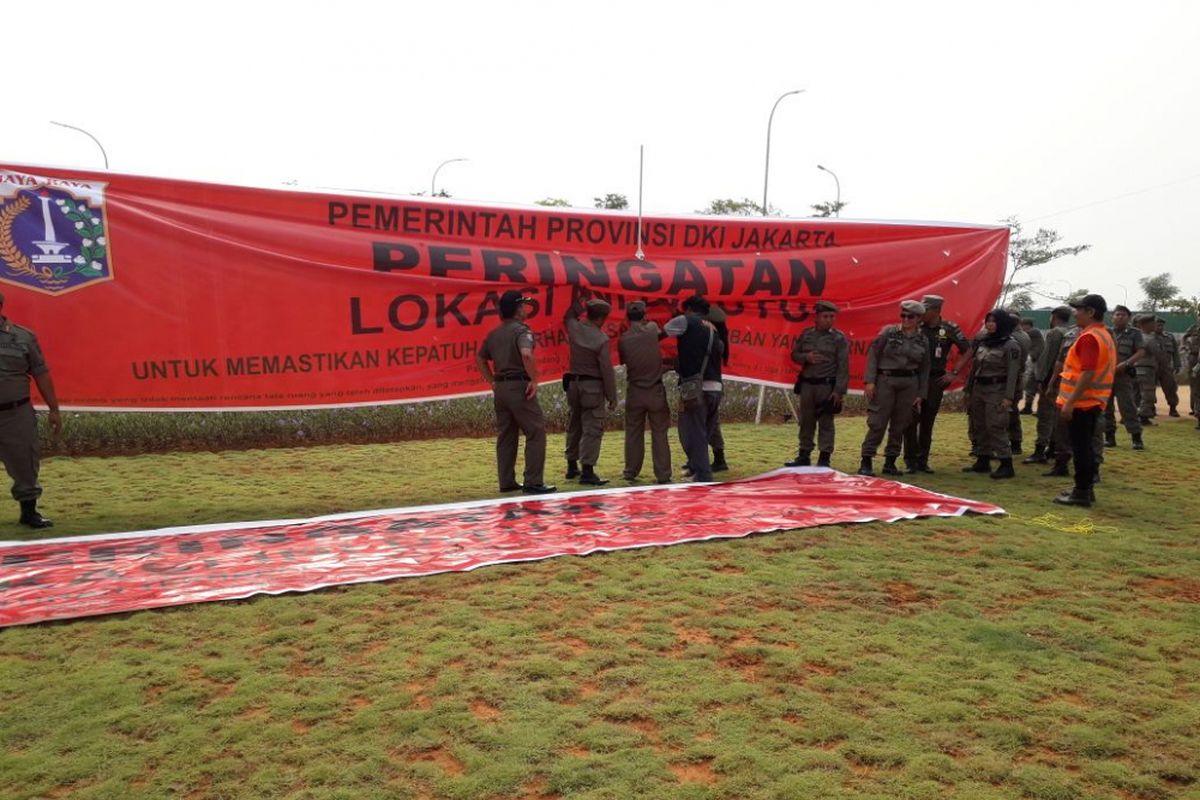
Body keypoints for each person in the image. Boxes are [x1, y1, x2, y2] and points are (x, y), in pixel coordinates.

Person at [475, 290, 556, 495]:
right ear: (518, 309)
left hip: (501, 388)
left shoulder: (494, 333)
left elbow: (480, 359)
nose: (526, 309)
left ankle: (507, 481)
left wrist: (493, 381)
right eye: (523, 306)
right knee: (535, 431)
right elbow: (526, 354)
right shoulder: (521, 331)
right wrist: (534, 379)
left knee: (506, 436)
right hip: (519, 387)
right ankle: (533, 481)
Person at [0, 293, 61, 528]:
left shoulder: (23, 337)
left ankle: (29, 513)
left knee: (25, 462)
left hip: (16, 413)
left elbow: (41, 373)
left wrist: (54, 409)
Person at [1054, 294, 1117, 507]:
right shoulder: (1104, 335)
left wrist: (1070, 403)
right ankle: (1085, 489)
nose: (1075, 313)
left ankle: (1081, 492)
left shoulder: (1089, 337)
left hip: (1082, 403)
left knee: (1081, 449)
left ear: (1090, 312)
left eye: (1079, 309)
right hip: (1093, 401)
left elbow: (1087, 373)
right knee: (1086, 447)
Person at [858, 300, 930, 477]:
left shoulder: (923, 340)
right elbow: (873, 355)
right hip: (885, 381)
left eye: (910, 316)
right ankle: (866, 460)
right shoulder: (888, 333)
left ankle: (890, 461)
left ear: (919, 319)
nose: (905, 319)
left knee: (900, 423)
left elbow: (925, 368)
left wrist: (921, 393)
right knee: (877, 422)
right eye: (903, 315)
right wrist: (870, 381)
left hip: (909, 384)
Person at [901, 294, 971, 473]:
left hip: (935, 380)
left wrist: (954, 372)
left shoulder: (948, 328)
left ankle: (922, 460)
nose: (922, 313)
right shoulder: (916, 326)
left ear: (937, 311)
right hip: (915, 379)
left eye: (927, 309)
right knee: (909, 420)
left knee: (927, 421)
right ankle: (910, 461)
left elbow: (968, 350)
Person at [562, 291, 618, 485]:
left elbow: (568, 314)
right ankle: (587, 471)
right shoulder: (601, 339)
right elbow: (606, 369)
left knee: (574, 424)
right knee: (592, 428)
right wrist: (612, 395)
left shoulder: (574, 327)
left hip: (573, 385)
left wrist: (578, 299)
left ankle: (571, 466)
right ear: (602, 318)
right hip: (592, 387)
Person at [665, 296, 723, 483]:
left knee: (693, 432)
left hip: (695, 388)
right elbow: (720, 350)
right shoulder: (714, 328)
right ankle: (695, 467)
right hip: (716, 386)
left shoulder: (685, 321)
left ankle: (703, 476)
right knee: (704, 432)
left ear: (688, 308)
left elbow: (661, 333)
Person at [785, 300, 849, 468]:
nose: (829, 320)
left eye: (832, 317)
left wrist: (839, 391)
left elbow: (843, 366)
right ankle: (804, 455)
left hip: (826, 386)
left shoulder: (839, 338)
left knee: (826, 421)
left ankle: (824, 457)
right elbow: (794, 355)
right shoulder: (806, 334)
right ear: (817, 317)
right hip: (807, 385)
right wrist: (806, 357)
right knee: (806, 421)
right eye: (825, 316)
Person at [962, 310, 1023, 479]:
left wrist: (1008, 397)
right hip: (979, 388)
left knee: (995, 425)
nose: (990, 324)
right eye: (988, 321)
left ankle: (1005, 463)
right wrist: (968, 389)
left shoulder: (1011, 345)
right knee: (979, 424)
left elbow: (1013, 373)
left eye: (994, 321)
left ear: (1002, 323)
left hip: (998, 389)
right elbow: (974, 369)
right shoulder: (983, 343)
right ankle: (983, 460)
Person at [618, 300, 672, 484]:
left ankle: (630, 471)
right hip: (655, 390)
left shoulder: (623, 339)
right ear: (644, 315)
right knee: (659, 434)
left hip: (634, 391)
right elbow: (660, 335)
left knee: (633, 433)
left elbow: (624, 361)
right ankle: (663, 475)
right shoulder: (651, 328)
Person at [1024, 305, 1073, 464]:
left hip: (1051, 379)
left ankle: (1040, 450)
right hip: (1065, 380)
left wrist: (1041, 379)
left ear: (1054, 317)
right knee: (1057, 417)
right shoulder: (1071, 332)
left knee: (1045, 415)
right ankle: (1054, 448)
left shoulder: (1055, 333)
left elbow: (1048, 359)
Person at [1103, 305, 1145, 448]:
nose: (1120, 317)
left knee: (1127, 406)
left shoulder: (1135, 333)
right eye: (1117, 314)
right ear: (1112, 317)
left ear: (1129, 318)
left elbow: (1140, 352)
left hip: (1123, 375)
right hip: (1106, 375)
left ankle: (1136, 438)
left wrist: (1126, 364)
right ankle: (1109, 437)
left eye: (1124, 315)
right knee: (1106, 407)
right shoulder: (1106, 332)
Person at [702, 303, 731, 473]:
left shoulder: (710, 338)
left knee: (702, 423)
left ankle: (705, 459)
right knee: (713, 423)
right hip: (716, 385)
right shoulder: (720, 340)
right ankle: (718, 458)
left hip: (706, 385)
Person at [1007, 312, 1032, 454]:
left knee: (1009, 413)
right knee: (1013, 411)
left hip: (1013, 377)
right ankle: (1016, 443)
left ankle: (1013, 443)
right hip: (1018, 377)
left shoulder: (1013, 338)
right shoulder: (1024, 335)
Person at [1134, 314, 1163, 425]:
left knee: (1135, 393)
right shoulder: (1150, 338)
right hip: (1147, 368)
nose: (1155, 325)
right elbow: (1158, 353)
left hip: (1135, 368)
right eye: (1153, 323)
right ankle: (1143, 417)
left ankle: (1131, 414)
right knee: (1148, 393)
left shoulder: (1136, 336)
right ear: (1147, 324)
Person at [1153, 317, 1181, 417]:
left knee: (1170, 388)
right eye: (1157, 325)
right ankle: (1151, 407)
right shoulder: (1148, 336)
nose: (1160, 327)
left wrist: (1177, 364)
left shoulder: (1169, 337)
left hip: (1166, 367)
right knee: (1150, 388)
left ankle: (1173, 408)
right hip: (1152, 367)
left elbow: (1176, 352)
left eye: (1161, 325)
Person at [1019, 317, 1046, 415]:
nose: (1021, 328)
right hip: (1034, 362)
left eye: (1023, 325)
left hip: (1038, 362)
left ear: (1027, 325)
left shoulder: (1033, 332)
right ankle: (1028, 407)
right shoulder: (1032, 333)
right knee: (1030, 385)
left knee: (1037, 385)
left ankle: (1035, 408)